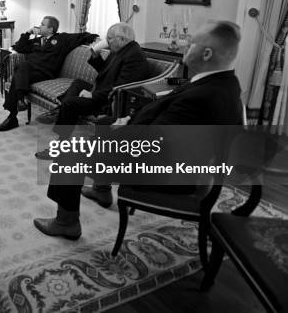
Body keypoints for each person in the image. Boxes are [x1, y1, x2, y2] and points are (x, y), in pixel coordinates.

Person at [33, 20, 243, 240]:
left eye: (191, 43)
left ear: (206, 53)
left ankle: (66, 222)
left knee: (70, 154)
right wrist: (130, 120)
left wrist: (124, 129)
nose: (185, 48)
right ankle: (101, 190)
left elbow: (155, 141)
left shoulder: (203, 96)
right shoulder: (224, 84)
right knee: (104, 127)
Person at [34, 23, 150, 161]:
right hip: (102, 90)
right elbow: (105, 72)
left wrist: (93, 95)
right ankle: (60, 110)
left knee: (70, 103)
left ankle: (60, 145)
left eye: (109, 38)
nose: (107, 42)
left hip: (108, 100)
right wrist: (96, 56)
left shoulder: (134, 57)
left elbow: (120, 87)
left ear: (122, 39)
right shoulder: (121, 50)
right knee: (78, 83)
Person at [0, 16, 98, 132]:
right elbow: (19, 47)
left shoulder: (62, 39)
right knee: (21, 70)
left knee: (21, 69)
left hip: (45, 73)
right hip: (30, 72)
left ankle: (14, 113)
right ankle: (16, 109)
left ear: (51, 29)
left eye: (43, 24)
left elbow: (82, 36)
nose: (39, 26)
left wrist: (96, 40)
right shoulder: (37, 41)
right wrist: (28, 32)